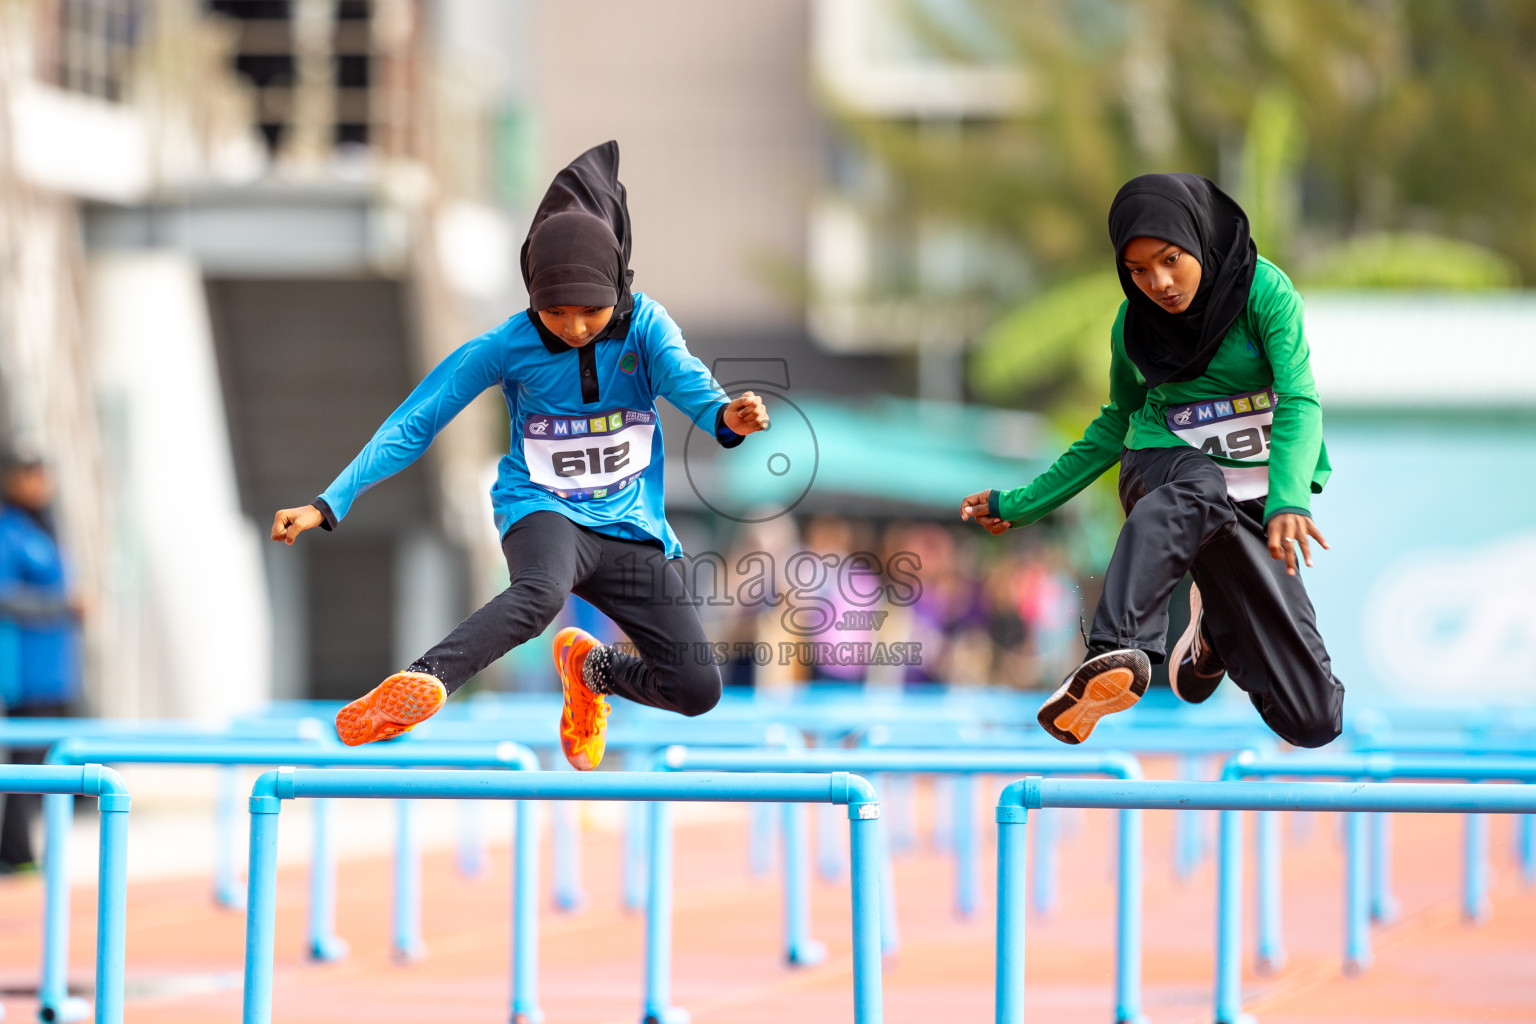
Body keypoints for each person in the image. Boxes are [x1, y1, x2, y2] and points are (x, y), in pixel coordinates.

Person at [271, 142, 770, 769]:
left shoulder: (646, 328)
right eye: (555, 312)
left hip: (630, 526)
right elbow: (417, 421)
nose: (575, 327)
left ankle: (590, 669)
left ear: (618, 285)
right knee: (537, 594)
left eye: (590, 311)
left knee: (698, 689)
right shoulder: (506, 345)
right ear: (532, 294)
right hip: (544, 510)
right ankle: (425, 682)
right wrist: (327, 502)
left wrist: (728, 416)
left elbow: (689, 383)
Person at [960, 173, 1343, 747]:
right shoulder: (1133, 326)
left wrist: (1287, 498)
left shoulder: (1265, 293)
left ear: (1199, 241)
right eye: (1138, 271)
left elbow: (1297, 395)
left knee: (1314, 719)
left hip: (1254, 502)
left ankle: (1212, 631)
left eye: (1170, 260)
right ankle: (1115, 650)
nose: (1159, 283)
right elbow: (1117, 420)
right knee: (1200, 484)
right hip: (1163, 467)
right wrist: (1021, 504)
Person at [0, 456, 83, 872]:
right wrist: (61, 605)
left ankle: (39, 855)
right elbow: (5, 594)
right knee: (25, 765)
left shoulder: (45, 528)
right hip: (25, 669)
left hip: (56, 668)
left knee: (49, 761)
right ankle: (16, 854)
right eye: (29, 477)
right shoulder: (9, 531)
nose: (39, 485)